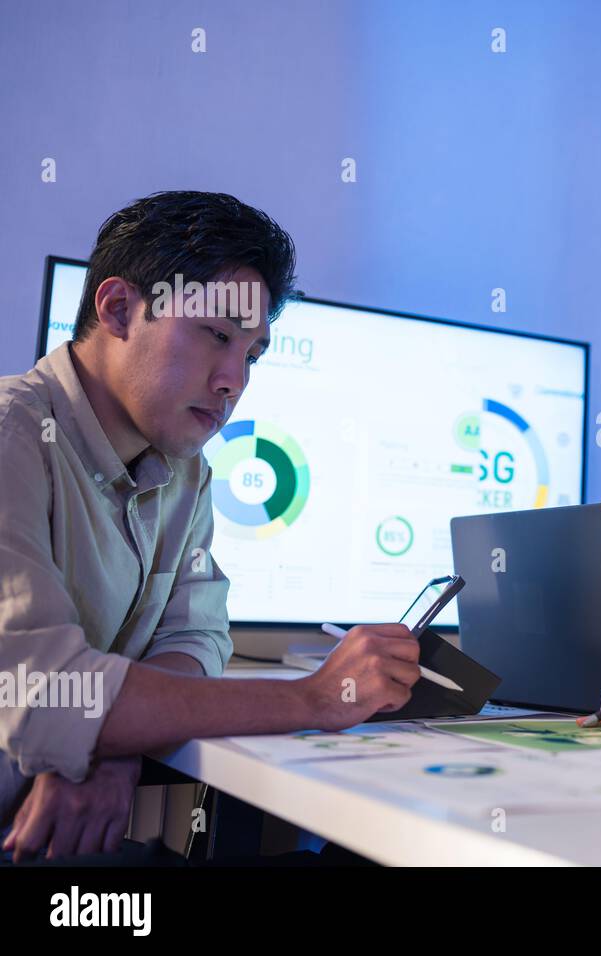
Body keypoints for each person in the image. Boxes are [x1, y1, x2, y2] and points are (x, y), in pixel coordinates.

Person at [1, 191, 421, 862]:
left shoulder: (182, 468)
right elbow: (46, 697)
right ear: (118, 310)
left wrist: (117, 743)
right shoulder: (13, 436)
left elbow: (195, 634)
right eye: (218, 335)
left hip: (74, 806)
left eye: (253, 354)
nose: (233, 381)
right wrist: (315, 697)